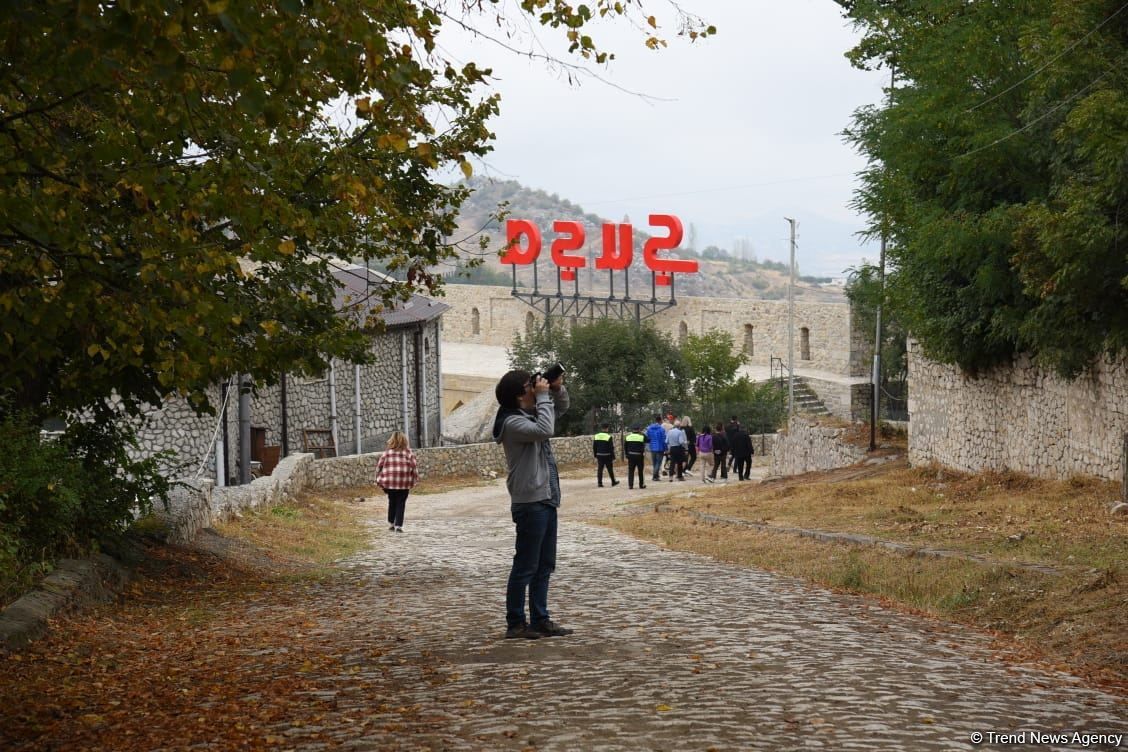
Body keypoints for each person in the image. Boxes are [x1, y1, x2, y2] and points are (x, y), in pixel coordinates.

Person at [492, 368, 572, 640]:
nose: (535, 387)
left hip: (546, 497)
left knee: (544, 564)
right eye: (530, 385)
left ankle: (540, 618)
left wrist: (556, 389)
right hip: (530, 501)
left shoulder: (529, 414)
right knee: (525, 565)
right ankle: (515, 622)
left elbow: (560, 409)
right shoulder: (513, 423)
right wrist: (543, 397)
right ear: (519, 395)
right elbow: (545, 428)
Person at [375, 431, 419, 533]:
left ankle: (391, 523)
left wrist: (377, 479)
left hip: (389, 483)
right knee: (401, 502)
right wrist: (415, 479)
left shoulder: (387, 453)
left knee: (392, 501)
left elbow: (379, 467)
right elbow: (414, 467)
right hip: (404, 482)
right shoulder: (408, 453)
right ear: (405, 441)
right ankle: (398, 525)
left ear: (391, 441)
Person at [592, 423, 619, 488]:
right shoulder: (609, 437)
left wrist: (595, 454)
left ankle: (599, 483)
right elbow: (611, 448)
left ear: (601, 428)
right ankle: (613, 482)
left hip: (599, 455)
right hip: (607, 455)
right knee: (610, 469)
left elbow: (594, 446)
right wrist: (613, 456)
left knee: (600, 469)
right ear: (607, 428)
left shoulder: (596, 436)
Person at [622, 425, 647, 489]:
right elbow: (648, 440)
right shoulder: (641, 437)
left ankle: (630, 485)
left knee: (631, 471)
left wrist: (627, 455)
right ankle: (641, 485)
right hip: (639, 456)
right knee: (640, 471)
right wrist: (643, 434)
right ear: (639, 430)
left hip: (631, 456)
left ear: (632, 430)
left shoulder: (628, 437)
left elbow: (625, 447)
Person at [645, 414, 668, 482]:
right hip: (660, 448)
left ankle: (656, 476)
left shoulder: (649, 428)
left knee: (654, 462)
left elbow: (647, 437)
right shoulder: (662, 429)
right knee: (659, 462)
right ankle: (655, 475)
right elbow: (664, 439)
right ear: (660, 421)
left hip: (652, 447)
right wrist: (666, 448)